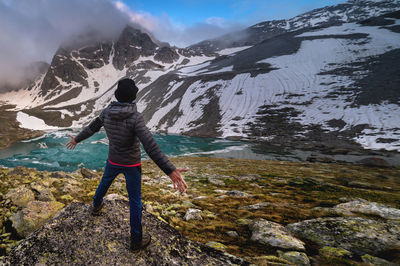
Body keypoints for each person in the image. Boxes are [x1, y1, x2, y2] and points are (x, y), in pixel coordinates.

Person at [65, 78, 188, 251]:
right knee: (135, 201)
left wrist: (77, 139)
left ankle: (96, 205)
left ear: (117, 95)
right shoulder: (136, 117)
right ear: (133, 97)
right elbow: (150, 146)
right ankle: (136, 240)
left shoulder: (106, 112)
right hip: (132, 165)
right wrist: (170, 170)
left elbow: (92, 128)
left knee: (104, 183)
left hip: (113, 160)